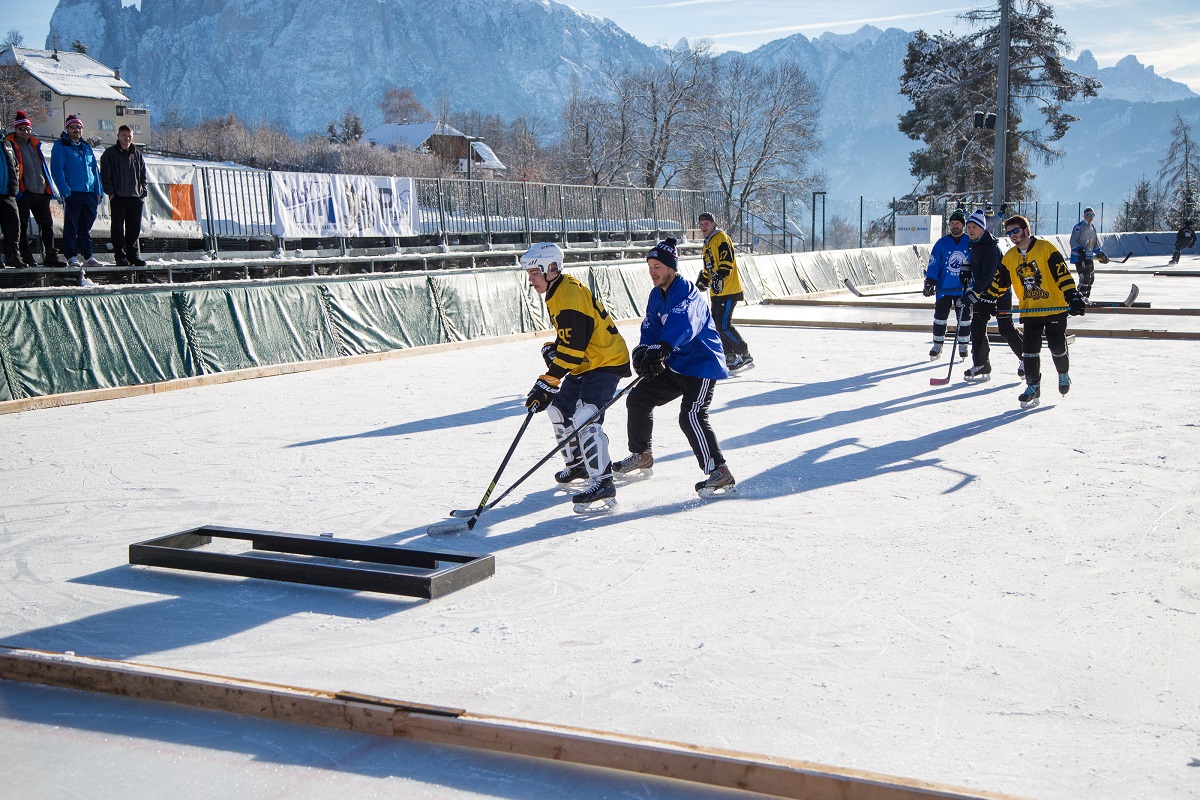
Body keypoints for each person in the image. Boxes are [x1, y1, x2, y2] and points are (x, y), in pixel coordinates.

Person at [613, 237, 736, 497]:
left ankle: (719, 471)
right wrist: (644, 351)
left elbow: (684, 320)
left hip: (701, 364)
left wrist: (664, 346)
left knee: (691, 415)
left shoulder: (687, 292)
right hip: (675, 364)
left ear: (671, 267)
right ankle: (642, 454)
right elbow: (650, 326)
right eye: (650, 267)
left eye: (658, 266)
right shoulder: (656, 295)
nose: (653, 272)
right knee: (638, 399)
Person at [521, 242, 631, 512]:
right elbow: (572, 339)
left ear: (551, 268)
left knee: (585, 417)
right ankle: (578, 465)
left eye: (534, 273)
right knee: (559, 410)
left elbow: (575, 347)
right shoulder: (556, 291)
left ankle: (603, 482)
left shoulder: (569, 292)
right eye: (529, 274)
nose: (531, 279)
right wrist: (554, 349)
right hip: (586, 363)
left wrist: (549, 380)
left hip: (605, 361)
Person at [980, 214, 1086, 408]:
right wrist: (988, 299)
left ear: (1027, 230)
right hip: (1030, 311)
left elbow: (1062, 274)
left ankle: (1063, 373)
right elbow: (999, 282)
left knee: (1056, 346)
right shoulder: (1010, 257)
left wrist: (1072, 295)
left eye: (1016, 231)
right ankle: (1032, 386)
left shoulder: (1046, 248)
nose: (1013, 235)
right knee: (1029, 351)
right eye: (1009, 233)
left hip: (1054, 308)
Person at [961, 209, 1024, 382]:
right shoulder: (973, 244)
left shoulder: (990, 247)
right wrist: (966, 269)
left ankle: (1027, 358)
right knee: (977, 326)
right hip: (983, 292)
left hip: (1000, 292)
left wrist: (974, 292)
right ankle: (981, 364)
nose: (970, 230)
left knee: (1005, 327)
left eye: (974, 227)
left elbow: (988, 275)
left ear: (982, 228)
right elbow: (973, 262)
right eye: (968, 227)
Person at [696, 212, 753, 373]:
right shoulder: (707, 243)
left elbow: (727, 260)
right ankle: (730, 356)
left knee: (723, 325)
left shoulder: (721, 238)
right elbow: (709, 266)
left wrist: (720, 276)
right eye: (701, 224)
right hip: (716, 293)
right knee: (716, 325)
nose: (703, 227)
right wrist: (704, 279)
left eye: (707, 223)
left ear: (714, 224)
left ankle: (744, 353)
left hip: (728, 290)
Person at [5, 110, 61, 267]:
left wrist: (48, 188)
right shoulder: (11, 145)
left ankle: (51, 255)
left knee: (47, 225)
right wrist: (18, 189)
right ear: (16, 129)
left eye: (28, 129)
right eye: (21, 129)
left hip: (41, 191)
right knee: (22, 225)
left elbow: (42, 166)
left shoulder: (35, 145)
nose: (25, 132)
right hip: (24, 192)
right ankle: (26, 256)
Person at [50, 114, 104, 268]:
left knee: (86, 227)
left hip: (89, 193)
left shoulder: (86, 147)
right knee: (71, 225)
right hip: (73, 192)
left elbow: (94, 170)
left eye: (79, 127)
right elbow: (57, 170)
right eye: (73, 127)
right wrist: (65, 190)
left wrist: (98, 191)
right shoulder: (61, 146)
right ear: (67, 129)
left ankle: (88, 256)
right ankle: (72, 256)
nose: (76, 130)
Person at [922, 208, 972, 360]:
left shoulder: (970, 241)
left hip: (963, 289)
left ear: (963, 225)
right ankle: (937, 345)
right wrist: (930, 281)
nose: (954, 226)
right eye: (952, 223)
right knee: (940, 317)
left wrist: (974, 281)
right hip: (944, 288)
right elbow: (934, 263)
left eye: (957, 223)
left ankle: (963, 346)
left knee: (964, 319)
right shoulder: (942, 243)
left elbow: (977, 263)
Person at [100, 124, 148, 266]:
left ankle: (133, 256)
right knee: (118, 229)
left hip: (135, 197)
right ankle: (120, 256)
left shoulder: (137, 154)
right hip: (118, 197)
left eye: (129, 136)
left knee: (134, 229)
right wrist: (111, 192)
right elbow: (105, 174)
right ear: (118, 136)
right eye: (124, 135)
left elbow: (143, 174)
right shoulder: (109, 153)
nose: (127, 139)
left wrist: (142, 191)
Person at [1068, 206, 1106, 300]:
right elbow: (1073, 241)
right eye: (1089, 215)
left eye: (1092, 215)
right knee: (1085, 278)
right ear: (1085, 215)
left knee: (1091, 278)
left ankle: (1086, 298)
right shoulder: (1079, 226)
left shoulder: (1092, 228)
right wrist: (1080, 250)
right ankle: (1079, 298)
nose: (1091, 217)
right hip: (1080, 257)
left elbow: (1094, 244)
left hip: (1088, 257)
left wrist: (1100, 254)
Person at [0, 132, 19, 268]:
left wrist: (14, 185)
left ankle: (12, 257)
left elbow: (15, 166)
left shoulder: (6, 143)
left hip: (8, 194)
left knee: (13, 225)